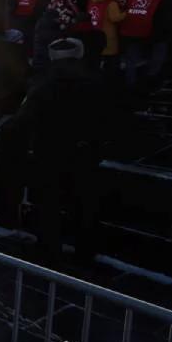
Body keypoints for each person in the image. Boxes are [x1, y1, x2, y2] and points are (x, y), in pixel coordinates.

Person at [9, 38, 110, 266]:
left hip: (49, 153)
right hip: (84, 153)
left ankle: (49, 248)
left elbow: (22, 121)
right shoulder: (95, 82)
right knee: (83, 204)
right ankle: (84, 251)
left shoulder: (42, 85)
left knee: (48, 203)